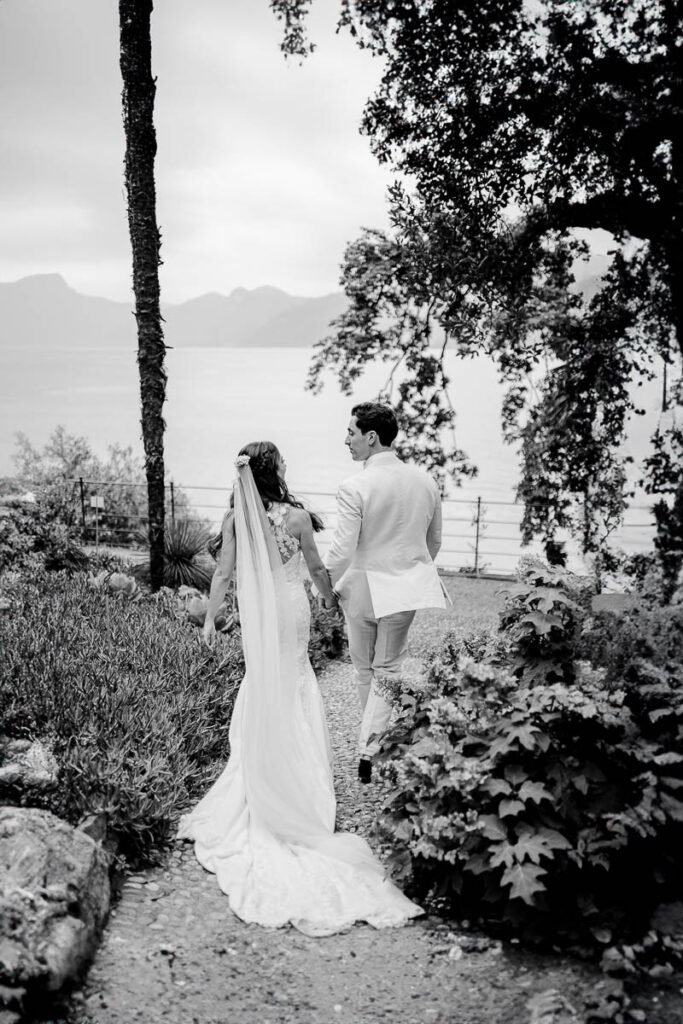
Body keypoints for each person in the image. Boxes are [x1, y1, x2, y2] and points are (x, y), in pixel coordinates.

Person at [177, 440, 422, 935]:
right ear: (274, 471)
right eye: (282, 462)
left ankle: (259, 768)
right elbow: (314, 568)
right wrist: (330, 598)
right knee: (296, 679)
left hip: (258, 612)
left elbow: (223, 573)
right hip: (290, 608)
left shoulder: (235, 520)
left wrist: (210, 620)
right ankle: (300, 780)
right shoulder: (296, 518)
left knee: (262, 679)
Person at [326, 403, 448, 783]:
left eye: (350, 432)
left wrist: (324, 584)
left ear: (371, 437)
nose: (346, 439)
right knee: (389, 669)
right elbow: (435, 541)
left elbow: (342, 551)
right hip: (405, 589)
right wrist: (411, 568)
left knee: (365, 669)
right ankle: (370, 745)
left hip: (362, 587)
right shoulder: (426, 482)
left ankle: (368, 748)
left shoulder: (354, 486)